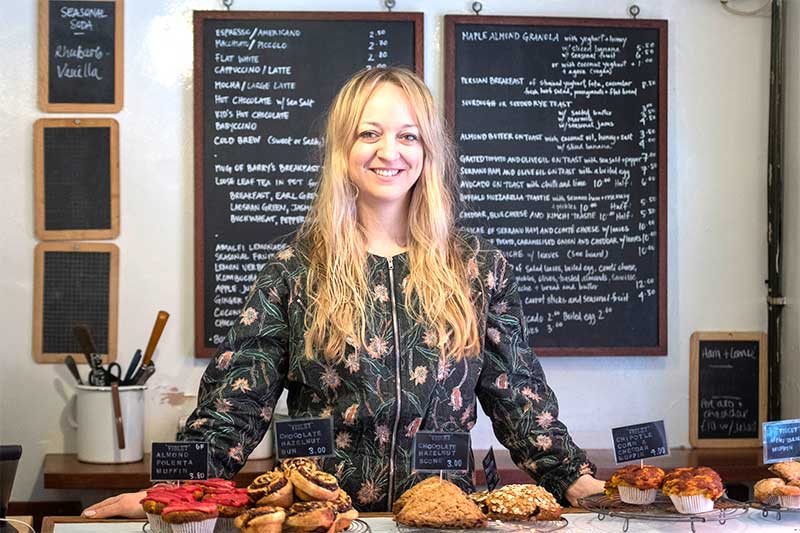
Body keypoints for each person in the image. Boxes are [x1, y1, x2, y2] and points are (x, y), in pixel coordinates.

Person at [83, 66, 604, 519]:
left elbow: (518, 396)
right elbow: (235, 404)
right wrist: (173, 492)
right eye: (368, 134)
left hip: (445, 517)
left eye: (408, 136)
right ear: (342, 150)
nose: (389, 153)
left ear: (428, 150)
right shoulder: (294, 269)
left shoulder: (477, 268)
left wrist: (576, 479)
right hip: (323, 518)